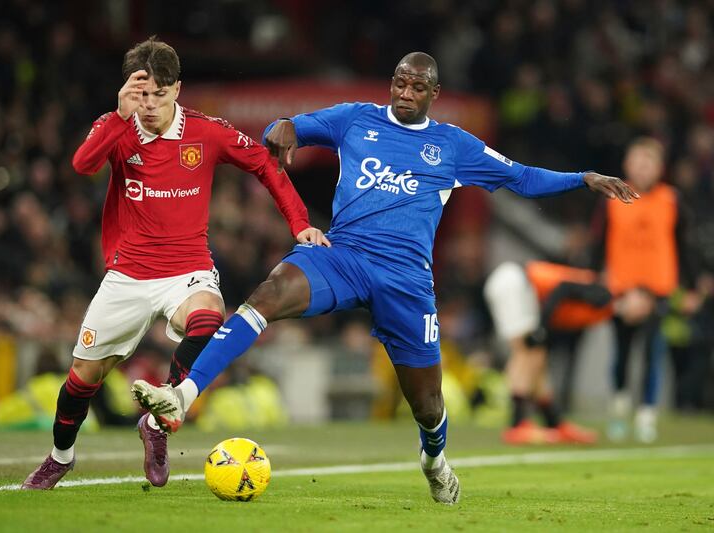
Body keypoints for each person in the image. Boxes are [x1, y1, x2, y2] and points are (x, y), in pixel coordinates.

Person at [131, 52, 637, 504]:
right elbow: (291, 127)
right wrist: (283, 127)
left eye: (417, 87)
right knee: (269, 291)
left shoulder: (453, 145)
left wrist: (583, 179)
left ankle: (434, 459)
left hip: (406, 281)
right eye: (399, 82)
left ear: (433, 94)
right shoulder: (356, 119)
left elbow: (521, 177)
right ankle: (183, 395)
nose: (405, 93)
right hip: (344, 255)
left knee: (427, 403)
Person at [22, 37, 327, 490]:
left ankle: (158, 423)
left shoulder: (206, 132)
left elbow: (266, 164)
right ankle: (60, 456)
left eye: (158, 94)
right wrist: (119, 113)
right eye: (140, 93)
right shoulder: (117, 126)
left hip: (187, 269)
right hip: (127, 275)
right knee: (82, 379)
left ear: (177, 89)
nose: (148, 104)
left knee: (209, 317)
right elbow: (83, 165)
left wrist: (299, 223)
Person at [590, 137, 696, 442]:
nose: (642, 167)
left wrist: (690, 286)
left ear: (659, 168)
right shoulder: (610, 198)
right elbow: (598, 244)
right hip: (621, 289)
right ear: (627, 165)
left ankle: (647, 414)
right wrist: (596, 279)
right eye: (637, 161)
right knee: (621, 353)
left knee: (653, 352)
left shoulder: (671, 200)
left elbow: (683, 244)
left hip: (658, 289)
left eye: (648, 162)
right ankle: (619, 410)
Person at [484, 261, 653, 445]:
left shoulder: (607, 309)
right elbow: (562, 289)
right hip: (516, 282)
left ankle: (554, 422)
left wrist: (543, 328)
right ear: (632, 294)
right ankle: (517, 424)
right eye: (642, 302)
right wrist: (542, 327)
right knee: (527, 351)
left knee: (538, 356)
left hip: (520, 287)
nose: (642, 311)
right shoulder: (606, 294)